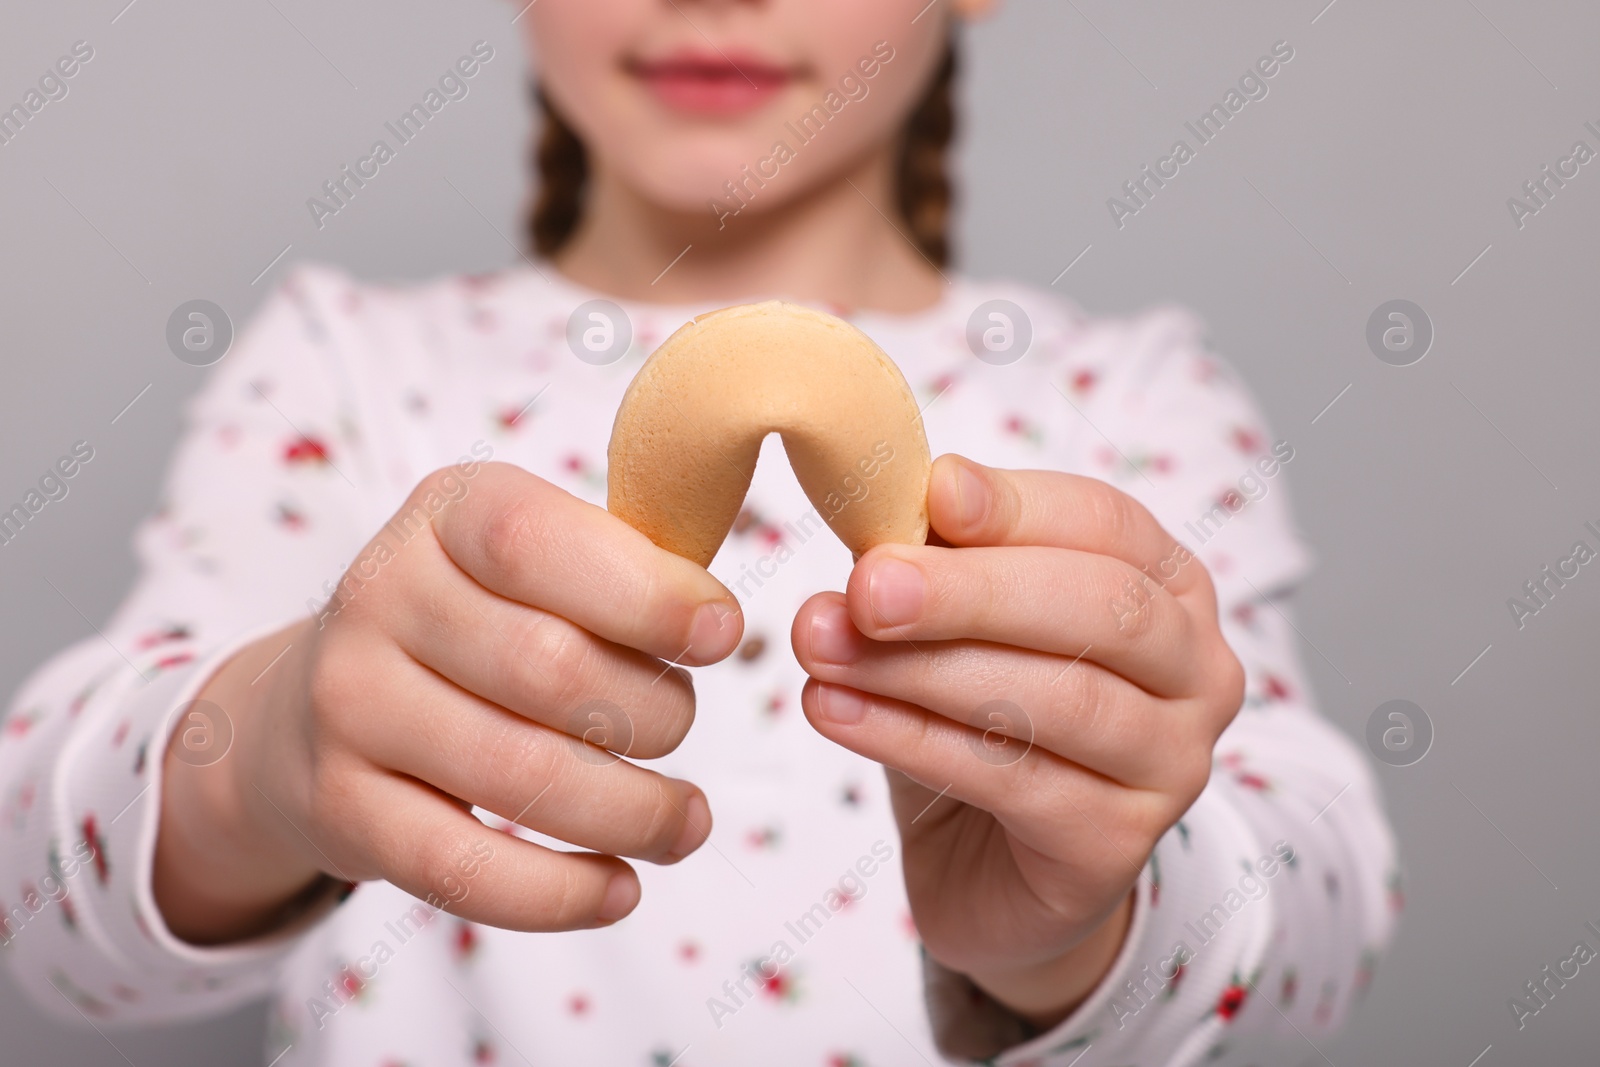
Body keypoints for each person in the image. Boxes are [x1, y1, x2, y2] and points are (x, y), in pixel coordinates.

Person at [0, 1, 1399, 1064]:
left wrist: (1090, 922)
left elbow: (1326, 918)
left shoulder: (1132, 403)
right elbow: (36, 914)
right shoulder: (346, 372)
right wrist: (263, 763)